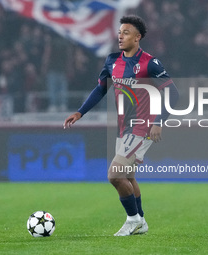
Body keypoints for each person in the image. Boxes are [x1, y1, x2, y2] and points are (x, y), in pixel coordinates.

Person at [63, 15, 179, 236]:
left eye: (126, 32)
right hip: (124, 128)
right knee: (127, 177)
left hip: (142, 128)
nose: (120, 36)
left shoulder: (150, 63)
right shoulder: (112, 61)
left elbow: (173, 93)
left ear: (137, 37)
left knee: (115, 175)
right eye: (119, 32)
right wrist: (80, 112)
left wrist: (158, 122)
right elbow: (100, 89)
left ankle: (132, 219)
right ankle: (141, 221)